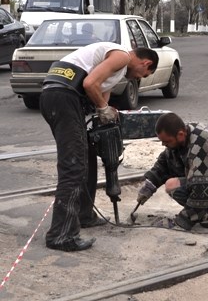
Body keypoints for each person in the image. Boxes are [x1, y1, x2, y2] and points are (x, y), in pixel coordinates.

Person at [40, 42, 159, 252]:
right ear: (146, 62)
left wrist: (105, 110)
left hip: (59, 96)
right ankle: (61, 234)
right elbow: (90, 83)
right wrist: (103, 109)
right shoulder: (122, 56)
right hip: (63, 97)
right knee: (73, 166)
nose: (138, 79)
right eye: (143, 74)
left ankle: (84, 215)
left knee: (86, 155)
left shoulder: (117, 68)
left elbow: (102, 92)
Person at [136, 112, 208, 231]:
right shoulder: (183, 136)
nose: (164, 144)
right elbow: (165, 163)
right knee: (175, 182)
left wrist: (182, 221)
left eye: (167, 141)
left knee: (173, 186)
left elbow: (200, 190)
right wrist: (150, 185)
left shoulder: (200, 145)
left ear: (180, 135)